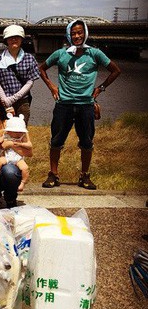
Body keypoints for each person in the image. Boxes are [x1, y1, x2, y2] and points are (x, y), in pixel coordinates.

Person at [38, 19, 121, 190]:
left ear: (85, 33)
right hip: (64, 105)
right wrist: (52, 87)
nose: (77, 36)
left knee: (87, 142)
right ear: (69, 34)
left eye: (80, 32)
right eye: (73, 33)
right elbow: (41, 68)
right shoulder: (60, 54)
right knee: (56, 140)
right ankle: (53, 175)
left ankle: (84, 176)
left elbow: (116, 70)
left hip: (86, 105)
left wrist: (100, 88)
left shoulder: (95, 54)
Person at [0, 24, 40, 123]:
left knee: (20, 130)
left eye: (17, 37)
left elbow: (30, 82)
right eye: (10, 38)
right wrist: (5, 100)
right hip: (2, 101)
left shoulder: (29, 58)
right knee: (1, 129)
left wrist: (13, 98)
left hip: (22, 102)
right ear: (6, 40)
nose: (14, 40)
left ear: (22, 39)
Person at [0, 113, 30, 192]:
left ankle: (23, 182)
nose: (18, 134)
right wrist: (0, 141)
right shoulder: (6, 135)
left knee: (25, 168)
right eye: (16, 132)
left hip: (18, 157)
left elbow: (29, 145)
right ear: (8, 131)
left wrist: (20, 144)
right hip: (7, 156)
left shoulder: (22, 137)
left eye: (20, 132)